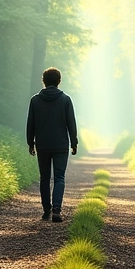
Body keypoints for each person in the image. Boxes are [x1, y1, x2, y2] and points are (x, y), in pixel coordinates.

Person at [26, 67, 78, 223]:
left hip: (42, 145)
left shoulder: (35, 100)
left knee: (44, 178)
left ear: (44, 81)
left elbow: (31, 124)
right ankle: (57, 210)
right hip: (61, 145)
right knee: (59, 177)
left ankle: (46, 210)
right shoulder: (65, 99)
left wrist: (31, 143)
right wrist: (74, 143)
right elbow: (71, 123)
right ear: (59, 81)